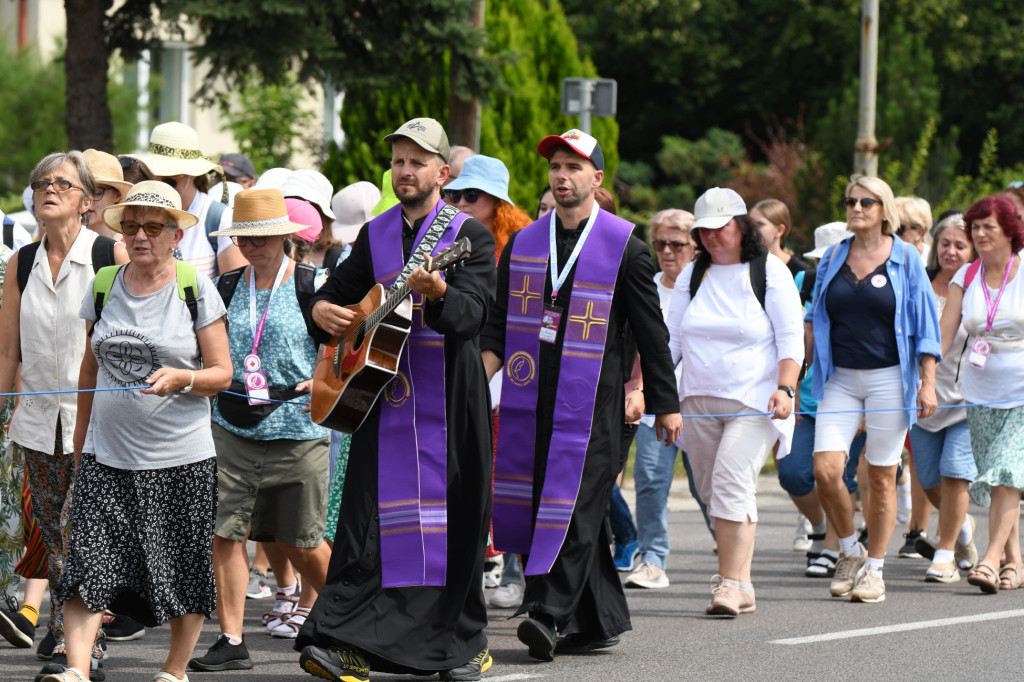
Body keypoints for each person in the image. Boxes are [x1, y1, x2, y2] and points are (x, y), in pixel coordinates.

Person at [296, 117, 496, 682]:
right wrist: (322, 312)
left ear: (443, 171)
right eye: (399, 161)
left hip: (450, 405)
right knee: (368, 527)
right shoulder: (377, 233)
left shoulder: (469, 236)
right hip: (381, 402)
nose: (405, 171)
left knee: (451, 524)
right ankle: (351, 643)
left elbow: (475, 317)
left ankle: (460, 646)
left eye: (417, 162)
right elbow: (335, 299)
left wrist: (442, 295)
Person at [481, 128, 681, 660]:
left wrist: (666, 403)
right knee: (543, 500)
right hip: (530, 401)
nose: (561, 176)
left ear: (596, 178)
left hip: (596, 407)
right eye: (554, 167)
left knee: (572, 507)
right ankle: (597, 621)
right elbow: (498, 323)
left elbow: (651, 332)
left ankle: (547, 614)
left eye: (573, 167)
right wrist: (478, 378)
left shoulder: (626, 248)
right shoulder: (525, 243)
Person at [46, 180, 231, 682]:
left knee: (182, 569)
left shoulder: (195, 287)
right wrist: (82, 443)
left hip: (180, 459)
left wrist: (183, 378)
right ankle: (77, 671)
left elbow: (222, 373)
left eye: (153, 227)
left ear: (175, 235)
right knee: (87, 561)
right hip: (107, 456)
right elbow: (89, 371)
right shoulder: (104, 284)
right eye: (131, 227)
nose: (140, 236)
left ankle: (174, 671)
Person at [187, 189, 332, 673]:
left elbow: (347, 346)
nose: (253, 247)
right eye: (245, 239)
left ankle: (343, 621)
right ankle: (231, 638)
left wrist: (326, 376)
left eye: (264, 237)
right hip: (231, 424)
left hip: (298, 428)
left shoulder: (316, 284)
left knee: (303, 540)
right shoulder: (224, 286)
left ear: (285, 236)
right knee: (225, 533)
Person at [0, 152, 129, 679]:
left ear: (87, 199)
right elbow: (9, 351)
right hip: (35, 422)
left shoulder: (108, 253)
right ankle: (65, 633)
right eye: (41, 183)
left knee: (85, 533)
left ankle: (86, 650)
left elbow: (127, 340)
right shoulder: (22, 261)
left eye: (63, 183)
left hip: (97, 422)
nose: (49, 189)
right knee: (53, 537)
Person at [666, 188, 804, 616]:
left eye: (719, 227)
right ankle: (742, 584)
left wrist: (786, 388)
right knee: (714, 490)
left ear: (741, 226)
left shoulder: (771, 272)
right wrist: (647, 389)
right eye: (702, 229)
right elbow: (670, 340)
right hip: (697, 399)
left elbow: (791, 339)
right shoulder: (694, 274)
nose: (710, 236)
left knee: (729, 482)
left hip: (755, 400)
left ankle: (727, 584)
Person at [807, 175, 940, 604]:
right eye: (850, 201)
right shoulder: (831, 257)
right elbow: (814, 318)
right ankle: (849, 550)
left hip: (889, 377)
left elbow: (926, 326)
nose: (856, 208)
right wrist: (790, 379)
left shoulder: (904, 257)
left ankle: (876, 569)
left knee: (881, 476)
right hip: (840, 378)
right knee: (826, 470)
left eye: (866, 201)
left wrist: (928, 382)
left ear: (884, 209)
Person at [938, 195, 1024, 594]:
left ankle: (989, 561)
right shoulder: (966, 277)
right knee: (997, 480)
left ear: (1010, 230)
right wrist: (922, 378)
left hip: (1021, 393)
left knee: (1007, 471)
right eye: (975, 227)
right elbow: (943, 337)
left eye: (989, 226)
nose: (980, 233)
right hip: (978, 394)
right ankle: (1015, 563)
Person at [622, 209, 699, 591]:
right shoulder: (644, 284)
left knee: (709, 487)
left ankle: (734, 559)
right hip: (655, 403)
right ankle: (652, 559)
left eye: (677, 244)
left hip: (702, 404)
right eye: (660, 244)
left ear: (695, 246)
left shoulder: (706, 287)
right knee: (650, 479)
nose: (668, 251)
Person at [908, 210, 979, 583]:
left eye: (960, 245)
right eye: (945, 244)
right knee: (930, 479)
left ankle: (945, 552)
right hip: (922, 398)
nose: (951, 251)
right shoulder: (917, 282)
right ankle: (963, 527)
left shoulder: (980, 289)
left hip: (966, 399)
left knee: (955, 473)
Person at [125, 121, 246, 278]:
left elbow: (232, 292)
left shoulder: (218, 218)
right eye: (156, 171)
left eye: (172, 175)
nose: (161, 179)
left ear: (193, 174)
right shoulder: (137, 216)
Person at [443, 155, 532, 259]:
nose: (461, 203)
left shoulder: (516, 249)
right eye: (456, 194)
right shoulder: (446, 241)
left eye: (471, 194)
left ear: (496, 200)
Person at [749, 198, 810, 278]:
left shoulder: (803, 274)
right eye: (750, 223)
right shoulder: (743, 266)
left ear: (779, 230)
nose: (753, 229)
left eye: (760, 224)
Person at [82, 149, 133, 241]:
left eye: (97, 193)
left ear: (117, 195)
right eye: (83, 191)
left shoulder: (129, 248)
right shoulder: (61, 244)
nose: (88, 201)